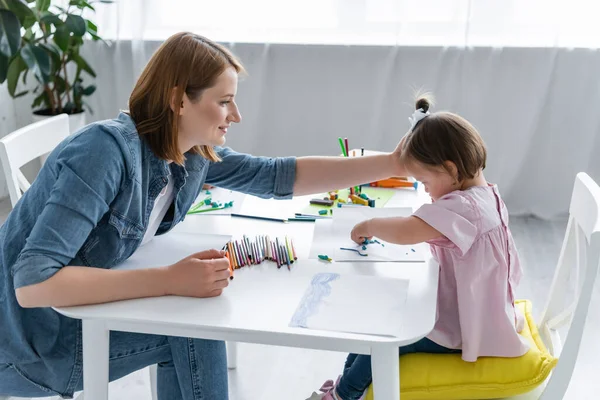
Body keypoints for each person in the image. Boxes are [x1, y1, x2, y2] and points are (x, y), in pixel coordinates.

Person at [0, 32, 406, 399]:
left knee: (195, 320)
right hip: (27, 346)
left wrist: (392, 163)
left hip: (67, 321)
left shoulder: (189, 154)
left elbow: (277, 176)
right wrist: (168, 280)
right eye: (225, 102)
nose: (237, 115)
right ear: (179, 100)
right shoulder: (104, 152)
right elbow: (33, 285)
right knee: (196, 330)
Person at [311, 96, 529, 400]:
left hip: (461, 327)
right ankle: (345, 385)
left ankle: (344, 394)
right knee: (374, 327)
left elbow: (405, 231)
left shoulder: (462, 208)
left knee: (385, 338)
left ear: (450, 170)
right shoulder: (485, 194)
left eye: (424, 181)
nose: (425, 190)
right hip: (484, 308)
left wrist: (369, 225)